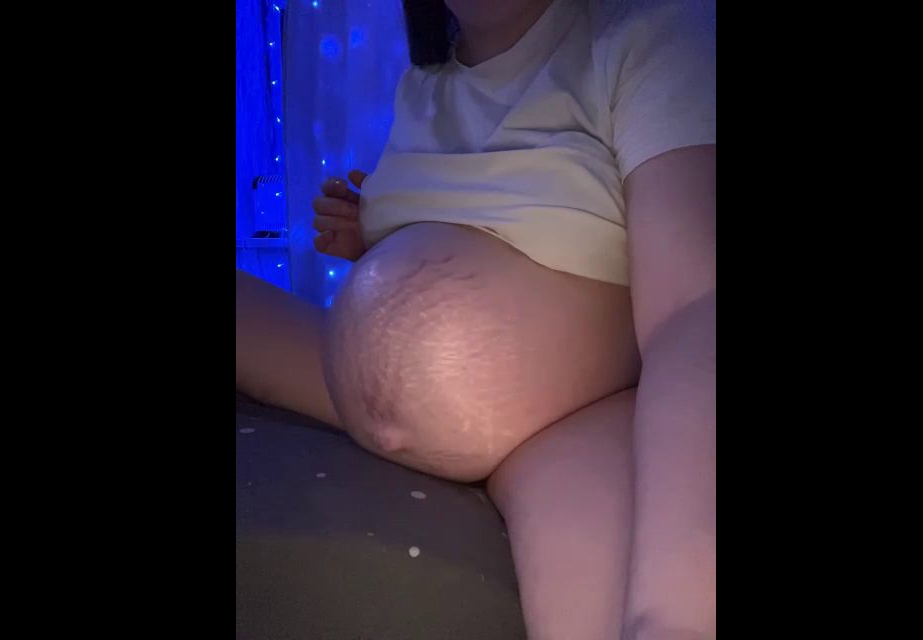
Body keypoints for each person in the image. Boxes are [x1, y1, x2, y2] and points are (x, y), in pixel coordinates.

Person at [236, 0, 715, 637]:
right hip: (350, 381)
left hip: (568, 414)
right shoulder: (424, 83)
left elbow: (692, 307)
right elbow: (467, 233)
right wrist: (371, 239)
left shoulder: (652, 34)